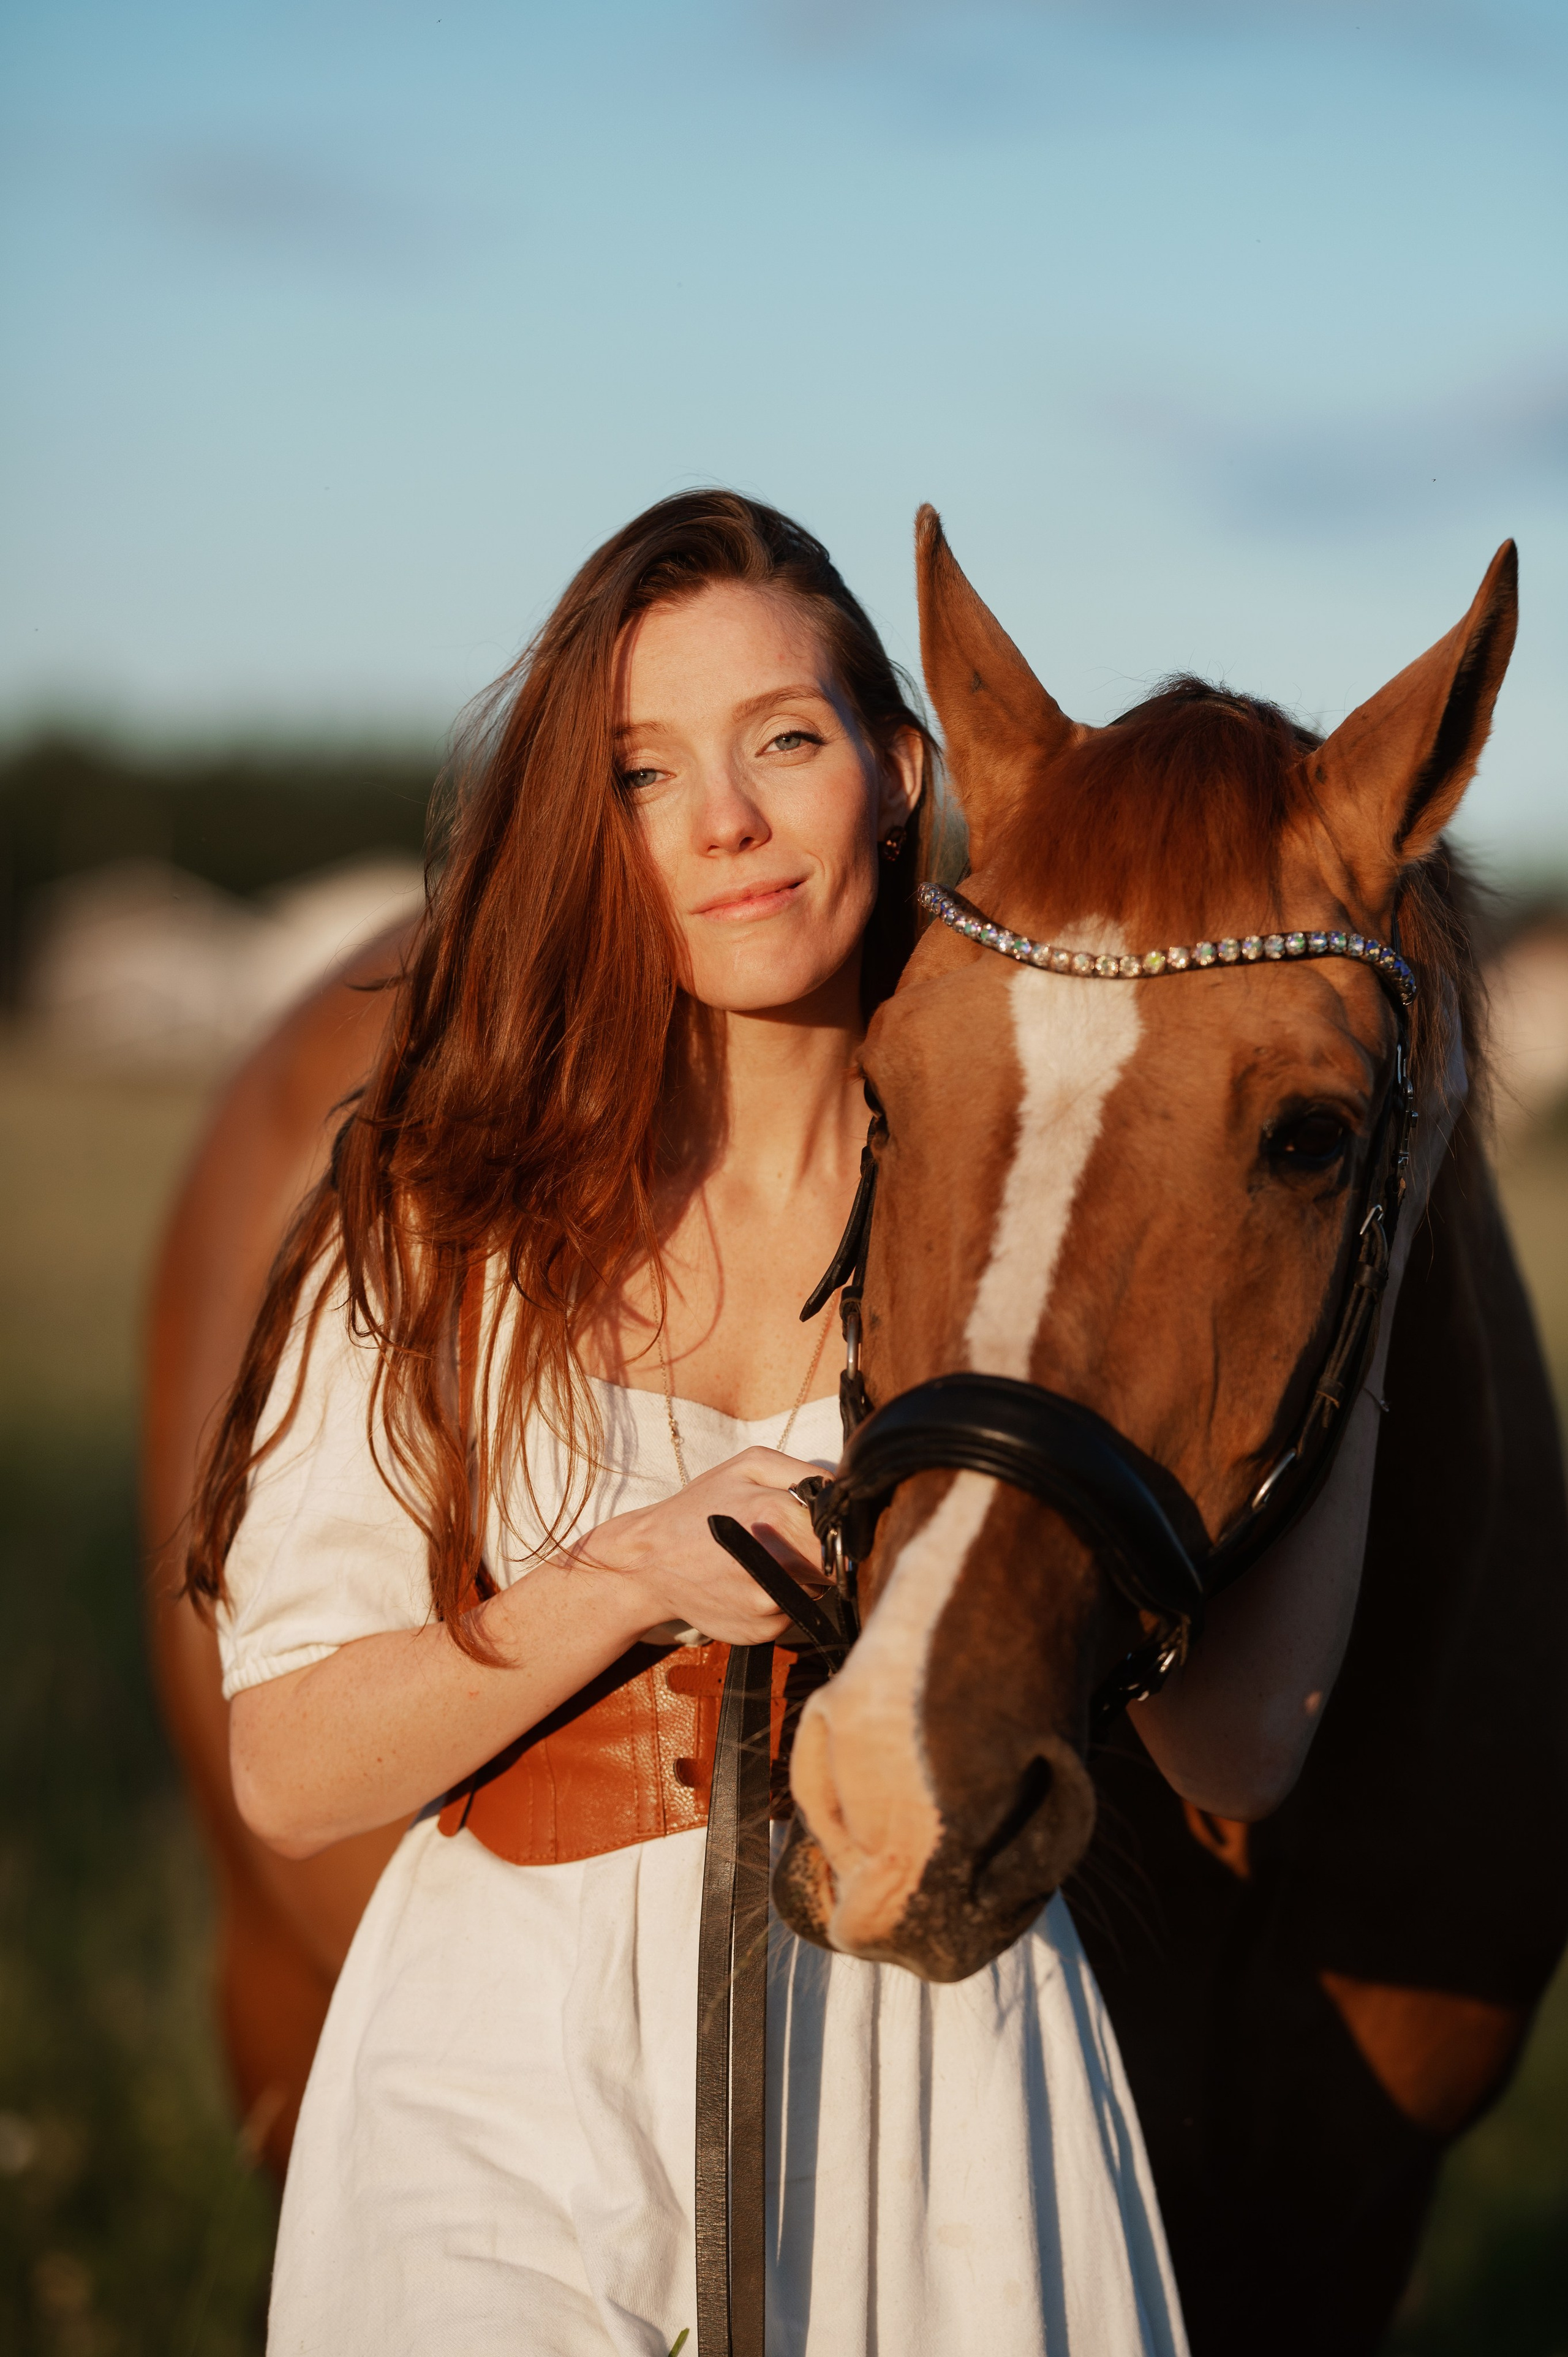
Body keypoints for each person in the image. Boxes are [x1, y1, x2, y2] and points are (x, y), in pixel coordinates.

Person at [192, 490, 1404, 2355]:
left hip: (934, 2091)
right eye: (644, 774)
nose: (730, 825)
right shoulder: (449, 1207)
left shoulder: (1019, 1229)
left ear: (901, 769)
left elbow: (1237, 1755)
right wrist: (617, 1582)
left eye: (784, 741)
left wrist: (1361, 1255)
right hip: (496, 2076)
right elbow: (287, 1772)